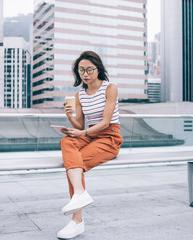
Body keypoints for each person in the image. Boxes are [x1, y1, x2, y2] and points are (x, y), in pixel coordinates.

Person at [57, 51, 123, 239]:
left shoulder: (110, 88)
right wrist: (69, 116)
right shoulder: (80, 95)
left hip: (109, 137)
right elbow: (80, 124)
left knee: (73, 165)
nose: (85, 74)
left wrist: (83, 133)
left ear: (98, 69)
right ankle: (80, 194)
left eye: (89, 70)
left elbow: (105, 121)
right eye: (81, 70)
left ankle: (77, 221)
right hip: (91, 135)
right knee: (67, 141)